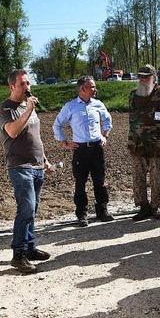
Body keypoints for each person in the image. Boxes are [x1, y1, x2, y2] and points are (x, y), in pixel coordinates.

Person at [0, 69, 51, 274]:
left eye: (28, 83)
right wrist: (27, 110)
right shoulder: (5, 108)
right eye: (22, 84)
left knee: (32, 210)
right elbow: (12, 131)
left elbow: (36, 137)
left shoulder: (30, 108)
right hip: (20, 167)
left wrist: (45, 160)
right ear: (12, 86)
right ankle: (18, 255)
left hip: (37, 166)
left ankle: (30, 247)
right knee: (26, 208)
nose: (27, 88)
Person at [53, 75, 114, 227]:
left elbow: (107, 119)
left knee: (100, 182)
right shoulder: (70, 106)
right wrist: (64, 143)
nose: (95, 89)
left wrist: (105, 135)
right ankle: (82, 214)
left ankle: (102, 211)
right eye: (92, 86)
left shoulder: (98, 104)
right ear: (82, 89)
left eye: (94, 86)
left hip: (97, 148)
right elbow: (57, 124)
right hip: (80, 150)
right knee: (80, 183)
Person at [127, 64, 160, 221]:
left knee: (156, 175)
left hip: (156, 144)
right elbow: (131, 119)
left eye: (146, 76)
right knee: (138, 175)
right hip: (137, 143)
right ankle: (143, 206)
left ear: (154, 78)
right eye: (140, 76)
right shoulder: (134, 95)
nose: (142, 79)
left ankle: (155, 207)